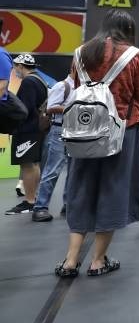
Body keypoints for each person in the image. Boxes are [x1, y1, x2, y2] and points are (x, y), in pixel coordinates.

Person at [56, 9, 139, 277]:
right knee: (114, 188)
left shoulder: (81, 53)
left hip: (84, 131)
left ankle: (70, 260)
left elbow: (76, 86)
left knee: (80, 189)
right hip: (123, 130)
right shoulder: (135, 56)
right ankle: (98, 260)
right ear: (129, 30)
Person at [5, 54, 47, 215]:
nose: (14, 70)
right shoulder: (40, 80)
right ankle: (32, 198)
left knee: (28, 165)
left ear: (21, 66)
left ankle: (29, 201)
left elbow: (24, 109)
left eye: (15, 67)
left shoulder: (29, 82)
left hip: (27, 130)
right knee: (33, 164)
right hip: (35, 129)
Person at [32, 75, 76, 222]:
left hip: (77, 131)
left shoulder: (82, 86)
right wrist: (74, 108)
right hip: (59, 129)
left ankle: (68, 205)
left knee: (74, 170)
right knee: (52, 170)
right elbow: (50, 107)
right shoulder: (62, 86)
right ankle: (40, 207)